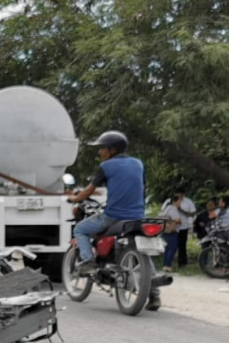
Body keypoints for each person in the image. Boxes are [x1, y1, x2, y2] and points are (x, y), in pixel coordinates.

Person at [67, 130, 161, 311]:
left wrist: (74, 198)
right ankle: (155, 296)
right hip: (138, 217)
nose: (100, 152)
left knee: (80, 229)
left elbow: (88, 191)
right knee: (145, 254)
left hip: (113, 217)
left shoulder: (107, 167)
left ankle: (87, 262)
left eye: (102, 148)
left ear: (112, 150)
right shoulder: (138, 164)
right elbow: (141, 188)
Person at [161, 191, 195, 272]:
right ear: (175, 201)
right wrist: (178, 221)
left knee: (167, 248)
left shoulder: (168, 207)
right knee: (172, 248)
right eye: (179, 201)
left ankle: (165, 265)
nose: (180, 203)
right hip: (172, 231)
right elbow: (177, 220)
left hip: (166, 230)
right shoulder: (173, 209)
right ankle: (168, 265)